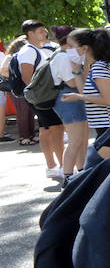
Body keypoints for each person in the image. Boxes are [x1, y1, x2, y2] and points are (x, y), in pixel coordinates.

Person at [63, 28, 110, 168]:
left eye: (71, 46)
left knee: (95, 170)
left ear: (84, 48)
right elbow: (88, 93)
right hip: (108, 127)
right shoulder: (98, 66)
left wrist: (77, 96)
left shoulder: (100, 67)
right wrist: (76, 71)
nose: (67, 50)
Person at [12, 20, 61, 168]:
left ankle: (53, 166)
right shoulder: (28, 51)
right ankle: (58, 166)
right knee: (53, 129)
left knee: (47, 129)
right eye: (40, 31)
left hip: (42, 96)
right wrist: (39, 97)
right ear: (30, 33)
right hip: (41, 96)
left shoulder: (35, 49)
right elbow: (27, 78)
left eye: (44, 30)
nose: (44, 33)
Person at [48, 27, 89, 187]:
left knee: (80, 140)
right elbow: (72, 82)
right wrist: (79, 71)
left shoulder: (59, 54)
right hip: (68, 98)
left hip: (71, 98)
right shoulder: (63, 57)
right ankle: (68, 176)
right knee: (76, 140)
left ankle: (81, 171)